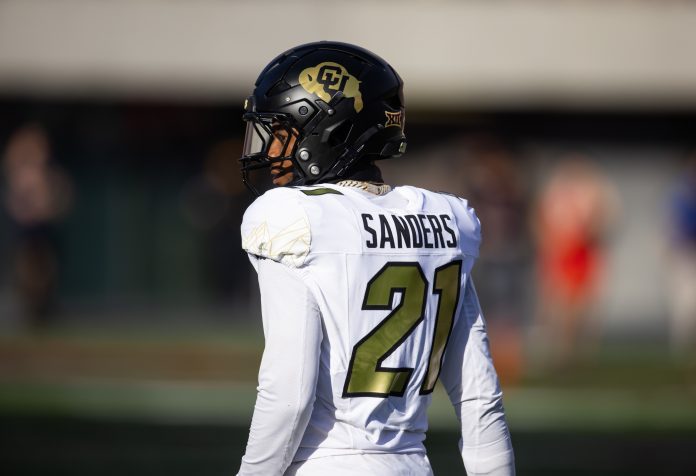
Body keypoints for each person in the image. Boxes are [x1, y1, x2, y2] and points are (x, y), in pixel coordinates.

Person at [237, 41, 515, 476]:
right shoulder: (444, 221)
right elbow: (479, 396)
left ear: (326, 133)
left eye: (283, 135)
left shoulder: (291, 217)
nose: (271, 152)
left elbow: (288, 394)